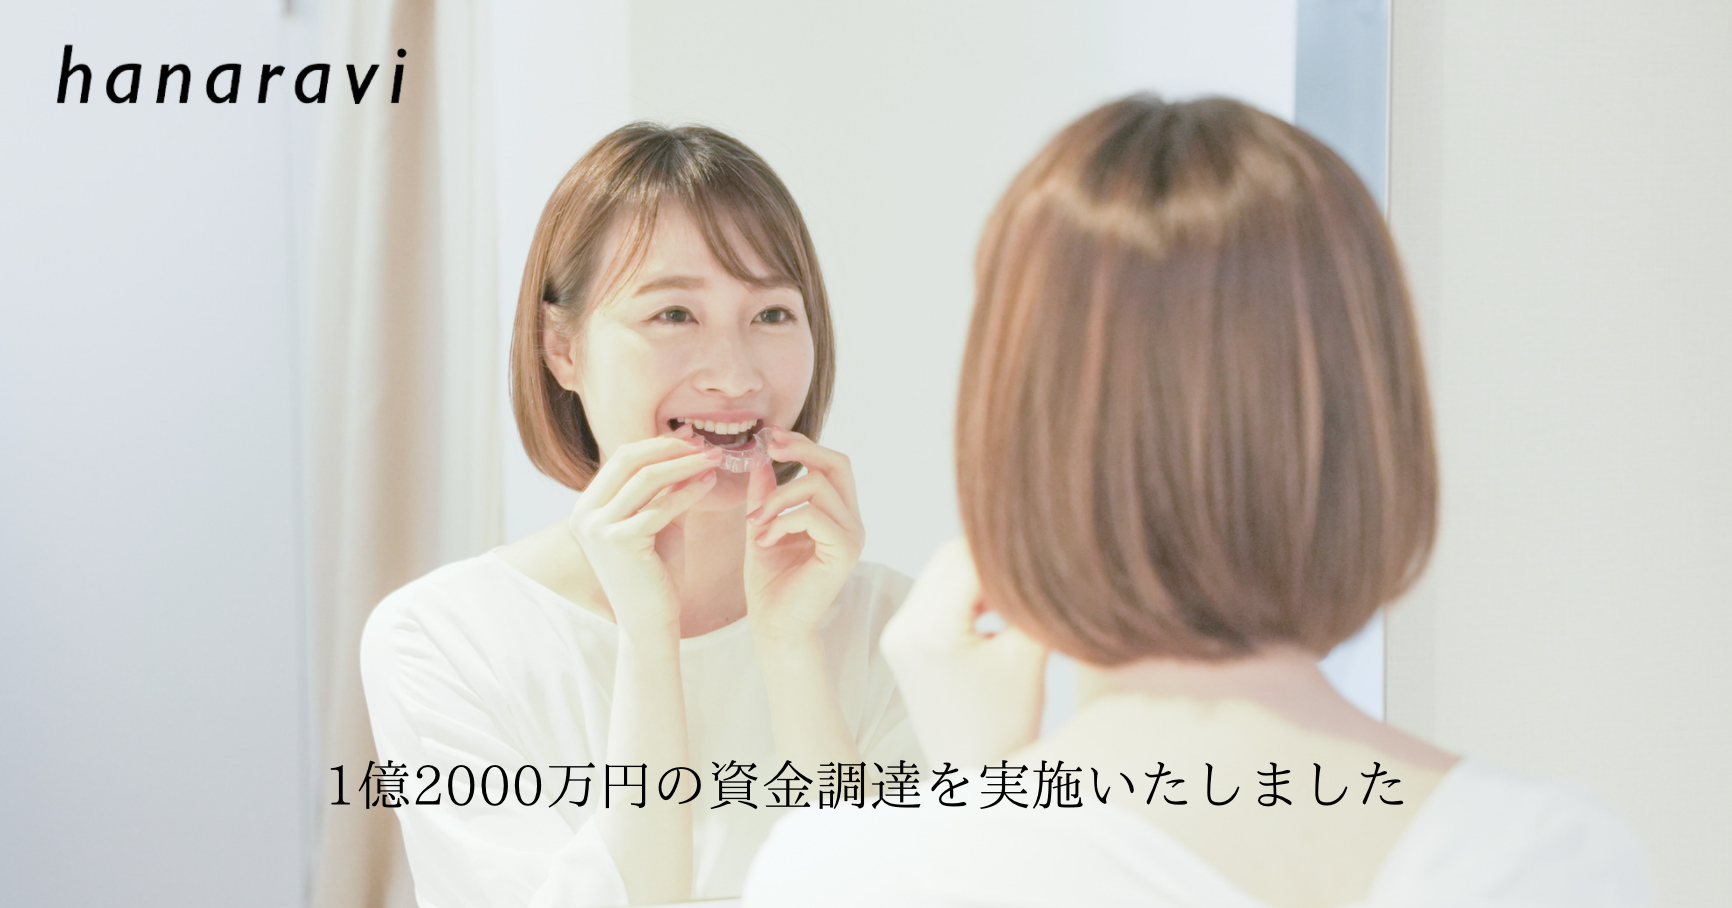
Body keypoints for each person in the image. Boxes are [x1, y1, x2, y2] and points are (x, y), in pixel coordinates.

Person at [741, 95, 1653, 907]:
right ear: (1374, 425)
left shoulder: (858, 870)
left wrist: (972, 801)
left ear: (1015, 439)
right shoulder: (1555, 858)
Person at [360, 123, 920, 907]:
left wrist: (792, 650)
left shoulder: (898, 630)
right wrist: (647, 642)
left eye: (771, 315)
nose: (734, 376)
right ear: (563, 350)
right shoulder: (443, 638)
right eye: (674, 315)